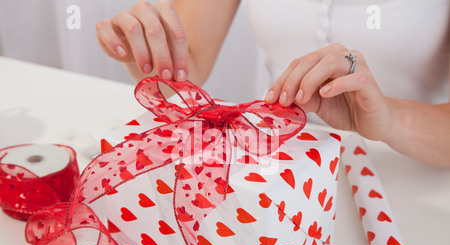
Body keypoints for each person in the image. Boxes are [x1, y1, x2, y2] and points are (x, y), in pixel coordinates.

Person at [96, 0, 450, 167]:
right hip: (278, 169)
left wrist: (391, 119)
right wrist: (149, 48)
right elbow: (189, 62)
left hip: (415, 177)